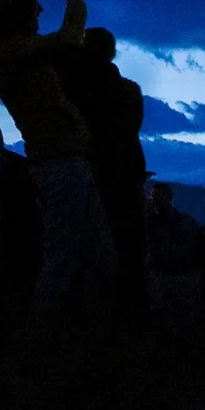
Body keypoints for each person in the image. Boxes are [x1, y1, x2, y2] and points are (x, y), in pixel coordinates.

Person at [0, 0, 112, 327]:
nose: (39, 9)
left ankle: (63, 340)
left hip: (59, 160)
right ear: (18, 11)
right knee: (66, 255)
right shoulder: (15, 52)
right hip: (60, 162)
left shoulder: (8, 54)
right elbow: (70, 37)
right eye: (33, 4)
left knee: (89, 254)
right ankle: (43, 342)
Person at [70, 25, 150, 324]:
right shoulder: (129, 91)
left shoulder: (74, 93)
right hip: (127, 173)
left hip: (92, 173)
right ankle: (132, 313)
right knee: (130, 244)